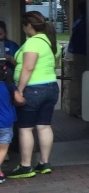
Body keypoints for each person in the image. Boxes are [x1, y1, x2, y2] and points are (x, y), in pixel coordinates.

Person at [6, 12, 60, 179]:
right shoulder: (50, 42)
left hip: (33, 88)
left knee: (25, 128)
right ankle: (44, 163)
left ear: (28, 26)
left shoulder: (32, 42)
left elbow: (28, 67)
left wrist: (19, 90)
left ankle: (26, 165)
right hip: (51, 87)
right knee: (44, 126)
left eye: (24, 26)